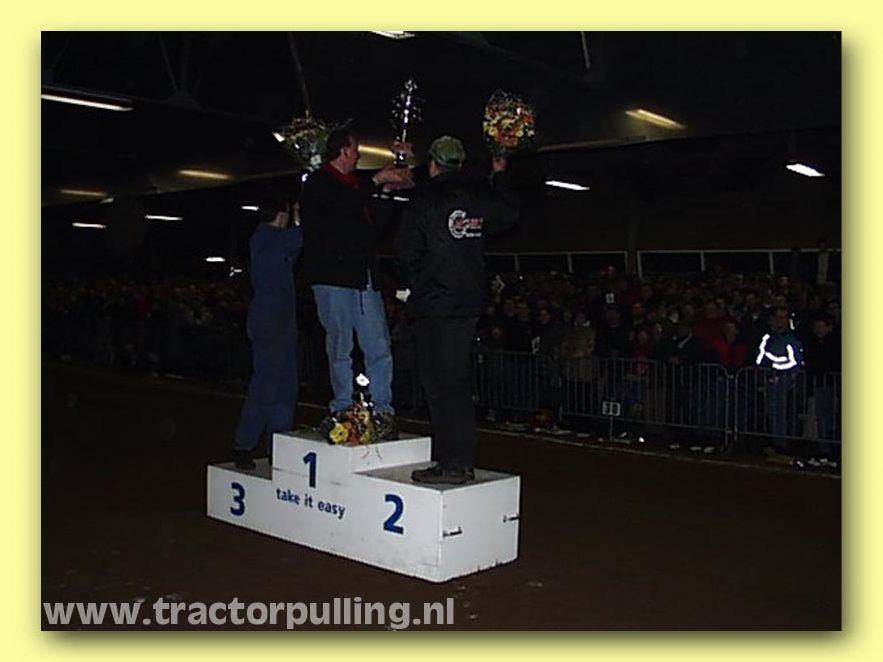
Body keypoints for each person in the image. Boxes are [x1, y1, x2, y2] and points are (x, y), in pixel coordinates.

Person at [395, 136, 518, 484]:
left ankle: (451, 463)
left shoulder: (424, 199)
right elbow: (509, 213)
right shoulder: (478, 197)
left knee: (438, 385)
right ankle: (461, 461)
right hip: (468, 302)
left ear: (434, 164)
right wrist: (500, 173)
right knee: (459, 384)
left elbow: (405, 248)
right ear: (460, 164)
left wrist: (416, 284)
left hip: (435, 304)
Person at [298, 129, 413, 439]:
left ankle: (383, 410)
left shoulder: (356, 186)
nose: (359, 155)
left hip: (363, 278)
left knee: (379, 345)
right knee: (340, 346)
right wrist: (376, 180)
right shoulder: (319, 183)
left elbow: (375, 227)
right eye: (356, 149)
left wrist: (386, 191)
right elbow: (338, 209)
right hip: (332, 278)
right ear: (345, 150)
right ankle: (341, 407)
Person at [233, 191, 303, 470]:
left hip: (278, 321)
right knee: (267, 385)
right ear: (281, 214)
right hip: (272, 321)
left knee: (283, 385)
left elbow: (296, 246)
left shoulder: (268, 240)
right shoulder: (267, 238)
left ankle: (276, 446)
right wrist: (301, 216)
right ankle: (245, 444)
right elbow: (301, 238)